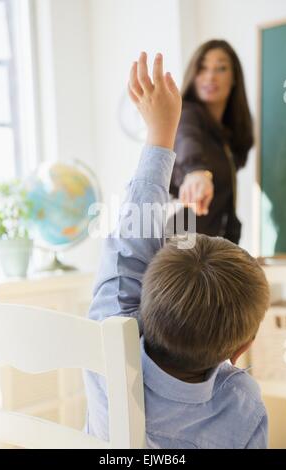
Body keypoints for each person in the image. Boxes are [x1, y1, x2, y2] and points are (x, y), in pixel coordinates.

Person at [83, 52, 270, 449]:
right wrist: (194, 166)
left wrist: (157, 135)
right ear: (242, 348)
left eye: (221, 68)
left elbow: (129, 251)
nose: (210, 75)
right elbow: (194, 149)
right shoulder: (241, 404)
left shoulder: (107, 338)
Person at [169, 40, 254, 244]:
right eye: (203, 67)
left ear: (234, 78)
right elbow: (186, 137)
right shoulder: (186, 113)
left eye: (221, 68)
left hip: (206, 256)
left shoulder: (227, 137)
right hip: (175, 252)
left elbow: (226, 207)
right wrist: (196, 171)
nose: (210, 76)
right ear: (194, 74)